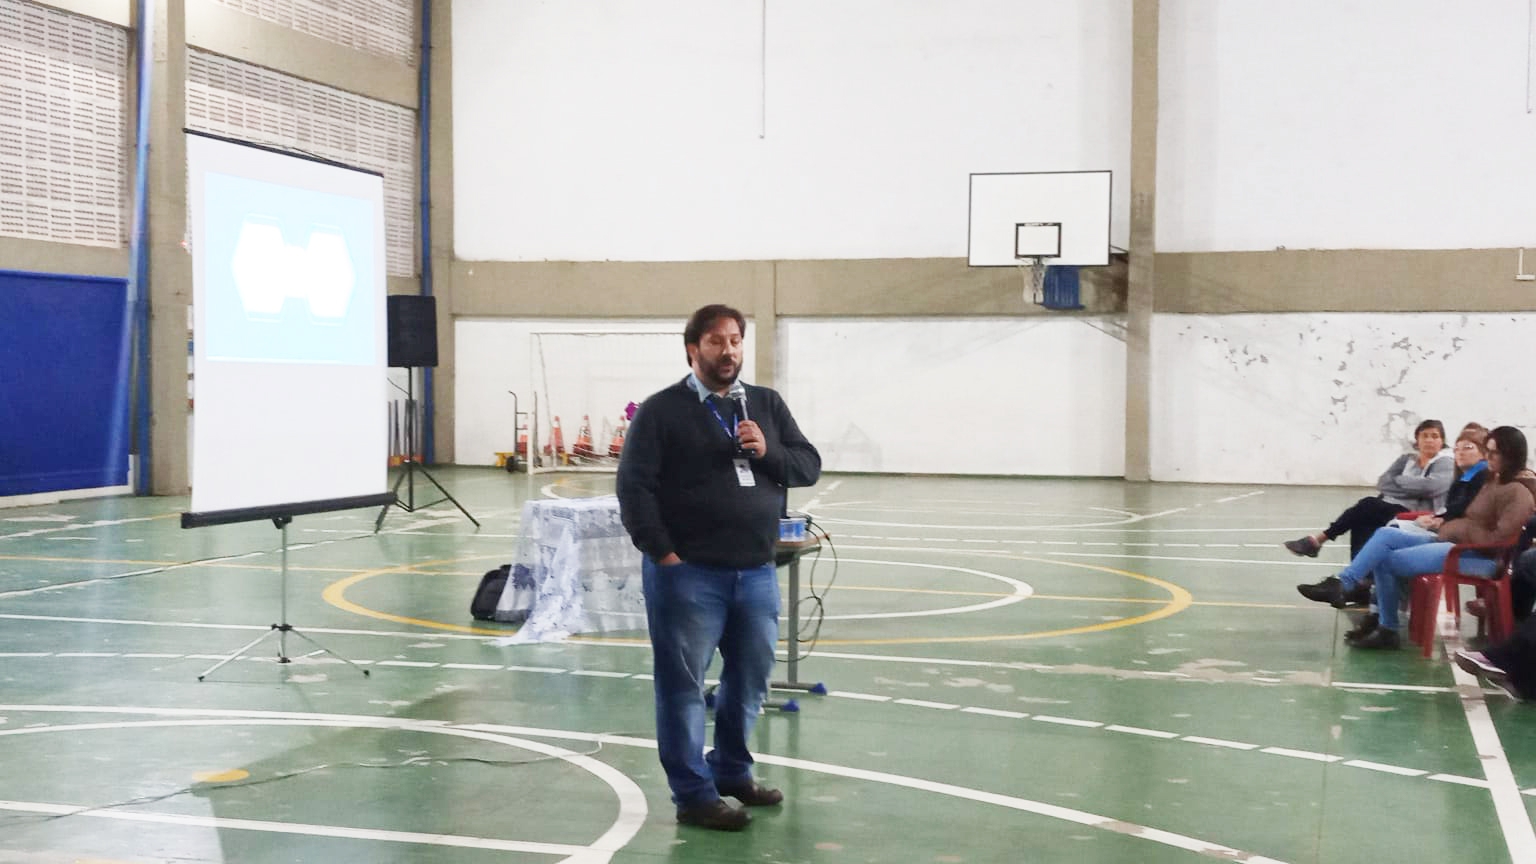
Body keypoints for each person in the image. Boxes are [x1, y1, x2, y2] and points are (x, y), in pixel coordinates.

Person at [616, 303, 821, 831]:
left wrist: (768, 451)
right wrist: (663, 553)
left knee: (750, 680)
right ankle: (693, 795)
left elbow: (807, 465)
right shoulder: (661, 411)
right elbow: (634, 488)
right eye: (715, 341)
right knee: (683, 687)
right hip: (689, 574)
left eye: (735, 340)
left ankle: (731, 771)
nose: (728, 351)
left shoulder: (765, 404)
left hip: (756, 572)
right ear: (692, 349)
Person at [1298, 426, 1536, 649]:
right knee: (1386, 535)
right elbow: (1472, 519)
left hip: (1476, 557)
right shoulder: (1494, 480)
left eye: (1494, 453)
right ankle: (1344, 583)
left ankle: (1387, 627)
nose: (1489, 457)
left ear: (1511, 454)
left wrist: (1461, 529)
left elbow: (1497, 542)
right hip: (1455, 543)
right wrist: (1455, 527)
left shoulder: (1518, 492)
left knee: (1387, 560)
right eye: (1488, 451)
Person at [1283, 419, 1454, 562]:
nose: (1429, 440)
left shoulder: (1444, 463)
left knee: (1367, 505)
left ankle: (1319, 540)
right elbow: (1383, 483)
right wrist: (1414, 487)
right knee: (1362, 520)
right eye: (1425, 436)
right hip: (1387, 505)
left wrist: (1400, 481)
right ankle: (1359, 581)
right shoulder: (1406, 459)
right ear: (1417, 439)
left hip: (1414, 513)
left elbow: (1431, 487)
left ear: (1442, 441)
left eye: (1434, 436)